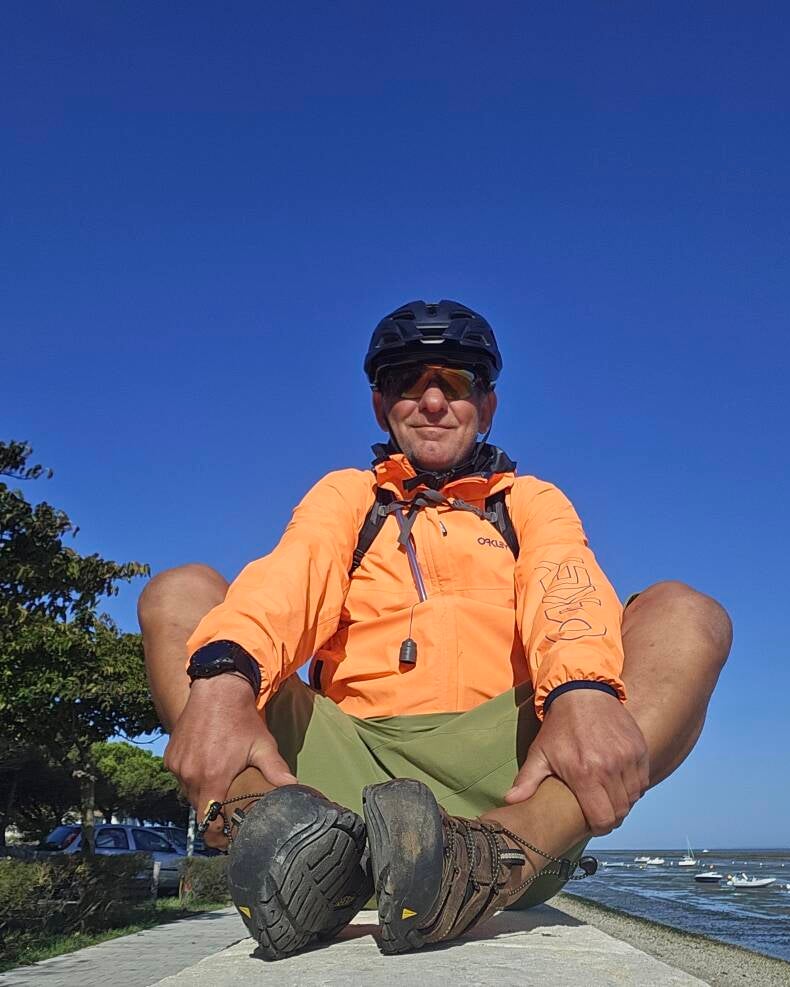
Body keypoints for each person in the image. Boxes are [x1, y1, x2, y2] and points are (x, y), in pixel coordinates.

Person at [138, 299, 731, 959]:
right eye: (406, 382)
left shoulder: (527, 500)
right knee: (178, 593)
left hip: (514, 784)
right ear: (379, 405)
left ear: (487, 404)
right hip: (330, 786)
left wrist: (582, 688)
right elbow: (292, 576)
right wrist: (226, 676)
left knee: (688, 613)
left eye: (455, 382)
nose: (432, 401)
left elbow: (565, 582)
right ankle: (271, 831)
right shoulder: (349, 495)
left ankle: (501, 855)